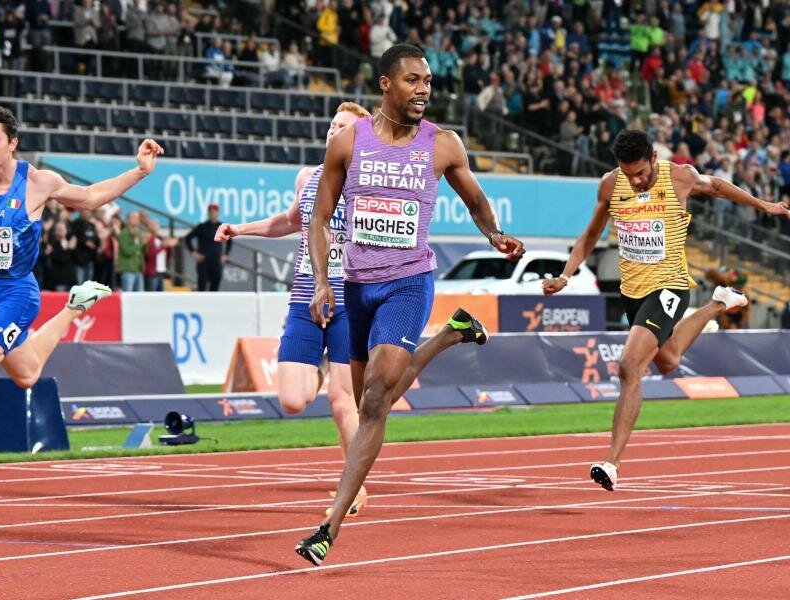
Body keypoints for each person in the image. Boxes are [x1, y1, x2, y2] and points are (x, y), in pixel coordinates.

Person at [294, 44, 525, 566]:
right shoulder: (348, 144)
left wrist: (495, 234)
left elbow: (474, 199)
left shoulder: (442, 144)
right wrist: (323, 282)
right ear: (385, 84)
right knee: (370, 401)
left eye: (428, 81)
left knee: (376, 398)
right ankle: (451, 334)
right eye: (413, 80)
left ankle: (328, 525)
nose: (423, 89)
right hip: (357, 287)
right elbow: (319, 219)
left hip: (408, 283)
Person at [215, 101, 489, 518]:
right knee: (292, 398)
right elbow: (292, 221)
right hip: (307, 293)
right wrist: (241, 228)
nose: (333, 131)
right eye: (331, 124)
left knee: (348, 401)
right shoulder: (308, 178)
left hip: (350, 293)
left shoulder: (369, 176)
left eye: (343, 126)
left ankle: (353, 487)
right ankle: (327, 368)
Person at [542, 128, 790, 492]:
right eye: (629, 174)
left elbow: (718, 186)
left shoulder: (680, 177)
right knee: (668, 360)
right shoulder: (611, 185)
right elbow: (591, 235)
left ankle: (612, 463)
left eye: (641, 172)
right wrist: (565, 274)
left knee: (630, 366)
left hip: (669, 285)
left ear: (654, 159)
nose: (636, 180)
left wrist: (764, 205)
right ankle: (720, 302)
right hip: (633, 292)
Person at [0, 104, 162, 388]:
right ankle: (75, 306)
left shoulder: (37, 182)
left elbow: (91, 197)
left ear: (12, 144)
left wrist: (139, 172)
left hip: (15, 292)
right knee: (26, 374)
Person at [185, 203, 231, 291]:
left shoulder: (221, 227)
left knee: (215, 287)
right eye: (211, 212)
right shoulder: (202, 226)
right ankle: (201, 305)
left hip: (216, 261)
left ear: (218, 213)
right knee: (202, 287)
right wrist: (193, 252)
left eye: (215, 212)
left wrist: (226, 254)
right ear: (208, 213)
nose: (213, 213)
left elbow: (229, 242)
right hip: (204, 261)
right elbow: (187, 239)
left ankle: (213, 304)